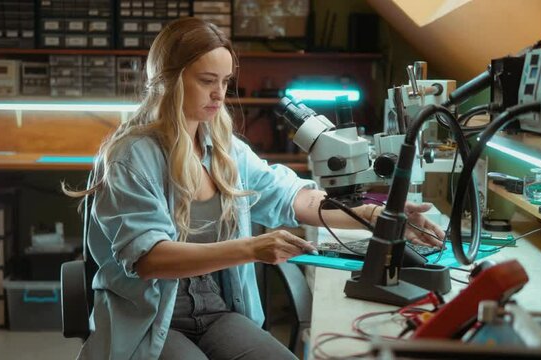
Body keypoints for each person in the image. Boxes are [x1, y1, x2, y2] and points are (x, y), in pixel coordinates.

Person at [65, 17, 445, 360]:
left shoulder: (225, 150)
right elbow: (150, 260)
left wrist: (372, 217)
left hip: (213, 308)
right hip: (148, 317)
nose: (220, 94)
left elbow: (290, 196)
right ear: (169, 79)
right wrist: (252, 249)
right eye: (207, 81)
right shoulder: (132, 157)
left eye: (225, 81)